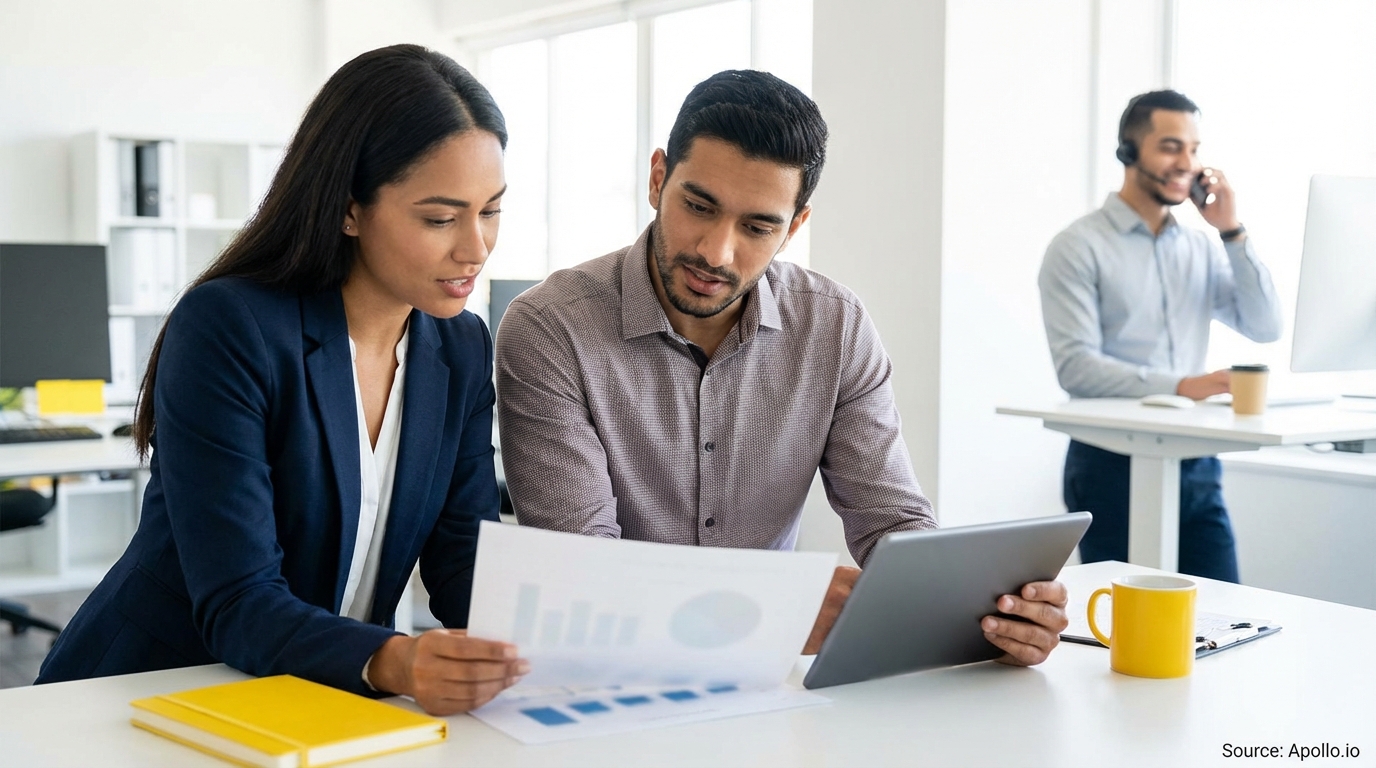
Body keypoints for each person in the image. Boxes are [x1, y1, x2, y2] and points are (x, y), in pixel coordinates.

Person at [496, 70, 1068, 666]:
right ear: (658, 177)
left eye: (757, 226)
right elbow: (580, 568)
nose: (716, 252)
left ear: (794, 226)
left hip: (764, 684)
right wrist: (778, 605)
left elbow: (892, 523)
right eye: (699, 206)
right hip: (602, 671)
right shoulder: (551, 327)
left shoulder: (835, 327)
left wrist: (989, 616)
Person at [37, 45, 526, 716]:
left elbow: (463, 562)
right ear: (350, 209)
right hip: (154, 692)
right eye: (440, 218)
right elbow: (239, 601)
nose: (475, 247)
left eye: (491, 210)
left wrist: (545, 641)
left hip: (318, 704)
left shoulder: (460, 346)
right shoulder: (231, 327)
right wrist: (396, 658)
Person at [1038, 90, 1283, 582]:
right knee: (1128, 636)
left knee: (1223, 615)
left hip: (1195, 463)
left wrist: (1231, 230)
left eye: (1194, 149)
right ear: (1129, 150)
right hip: (1109, 464)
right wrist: (1182, 385)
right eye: (1171, 147)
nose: (1187, 163)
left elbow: (1264, 325)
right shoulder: (1078, 246)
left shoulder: (1201, 247)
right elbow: (1077, 368)